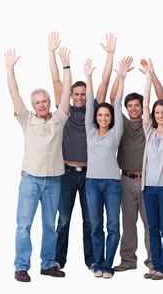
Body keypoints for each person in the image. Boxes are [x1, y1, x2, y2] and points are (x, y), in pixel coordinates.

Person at [48, 31, 116, 271]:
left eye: (81, 94)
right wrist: (52, 54)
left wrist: (110, 55)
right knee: (64, 219)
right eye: (75, 94)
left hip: (90, 175)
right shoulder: (65, 110)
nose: (78, 98)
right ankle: (59, 260)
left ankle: (92, 260)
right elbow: (57, 82)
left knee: (91, 221)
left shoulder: (94, 111)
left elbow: (105, 83)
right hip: (66, 173)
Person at [5, 47, 72, 282]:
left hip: (54, 180)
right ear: (33, 105)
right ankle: (21, 266)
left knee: (50, 226)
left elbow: (66, 93)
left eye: (44, 101)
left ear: (49, 103)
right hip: (30, 180)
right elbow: (14, 95)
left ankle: (48, 264)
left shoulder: (59, 119)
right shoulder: (27, 119)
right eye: (37, 103)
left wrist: (66, 65)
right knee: (23, 226)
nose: (41, 105)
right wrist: (10, 69)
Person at [111, 59, 163, 272]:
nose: (134, 109)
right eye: (130, 106)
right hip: (125, 178)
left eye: (137, 106)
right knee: (128, 223)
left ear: (143, 109)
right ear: (126, 109)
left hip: (147, 180)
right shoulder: (122, 123)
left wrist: (151, 76)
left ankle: (153, 262)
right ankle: (127, 260)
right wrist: (121, 76)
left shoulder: (150, 123)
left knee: (150, 223)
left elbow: (162, 99)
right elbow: (113, 99)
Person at [84, 57, 129, 279]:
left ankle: (108, 265)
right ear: (96, 117)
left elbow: (118, 102)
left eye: (107, 115)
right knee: (95, 225)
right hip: (91, 183)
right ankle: (97, 263)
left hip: (112, 183)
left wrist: (121, 77)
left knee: (112, 225)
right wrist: (89, 77)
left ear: (111, 118)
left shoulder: (115, 132)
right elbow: (91, 102)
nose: (103, 117)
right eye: (100, 114)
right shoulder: (90, 131)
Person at [141, 58, 163, 280]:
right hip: (148, 187)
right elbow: (145, 104)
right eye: (158, 113)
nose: (161, 115)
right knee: (152, 228)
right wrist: (147, 77)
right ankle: (154, 265)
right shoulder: (150, 131)